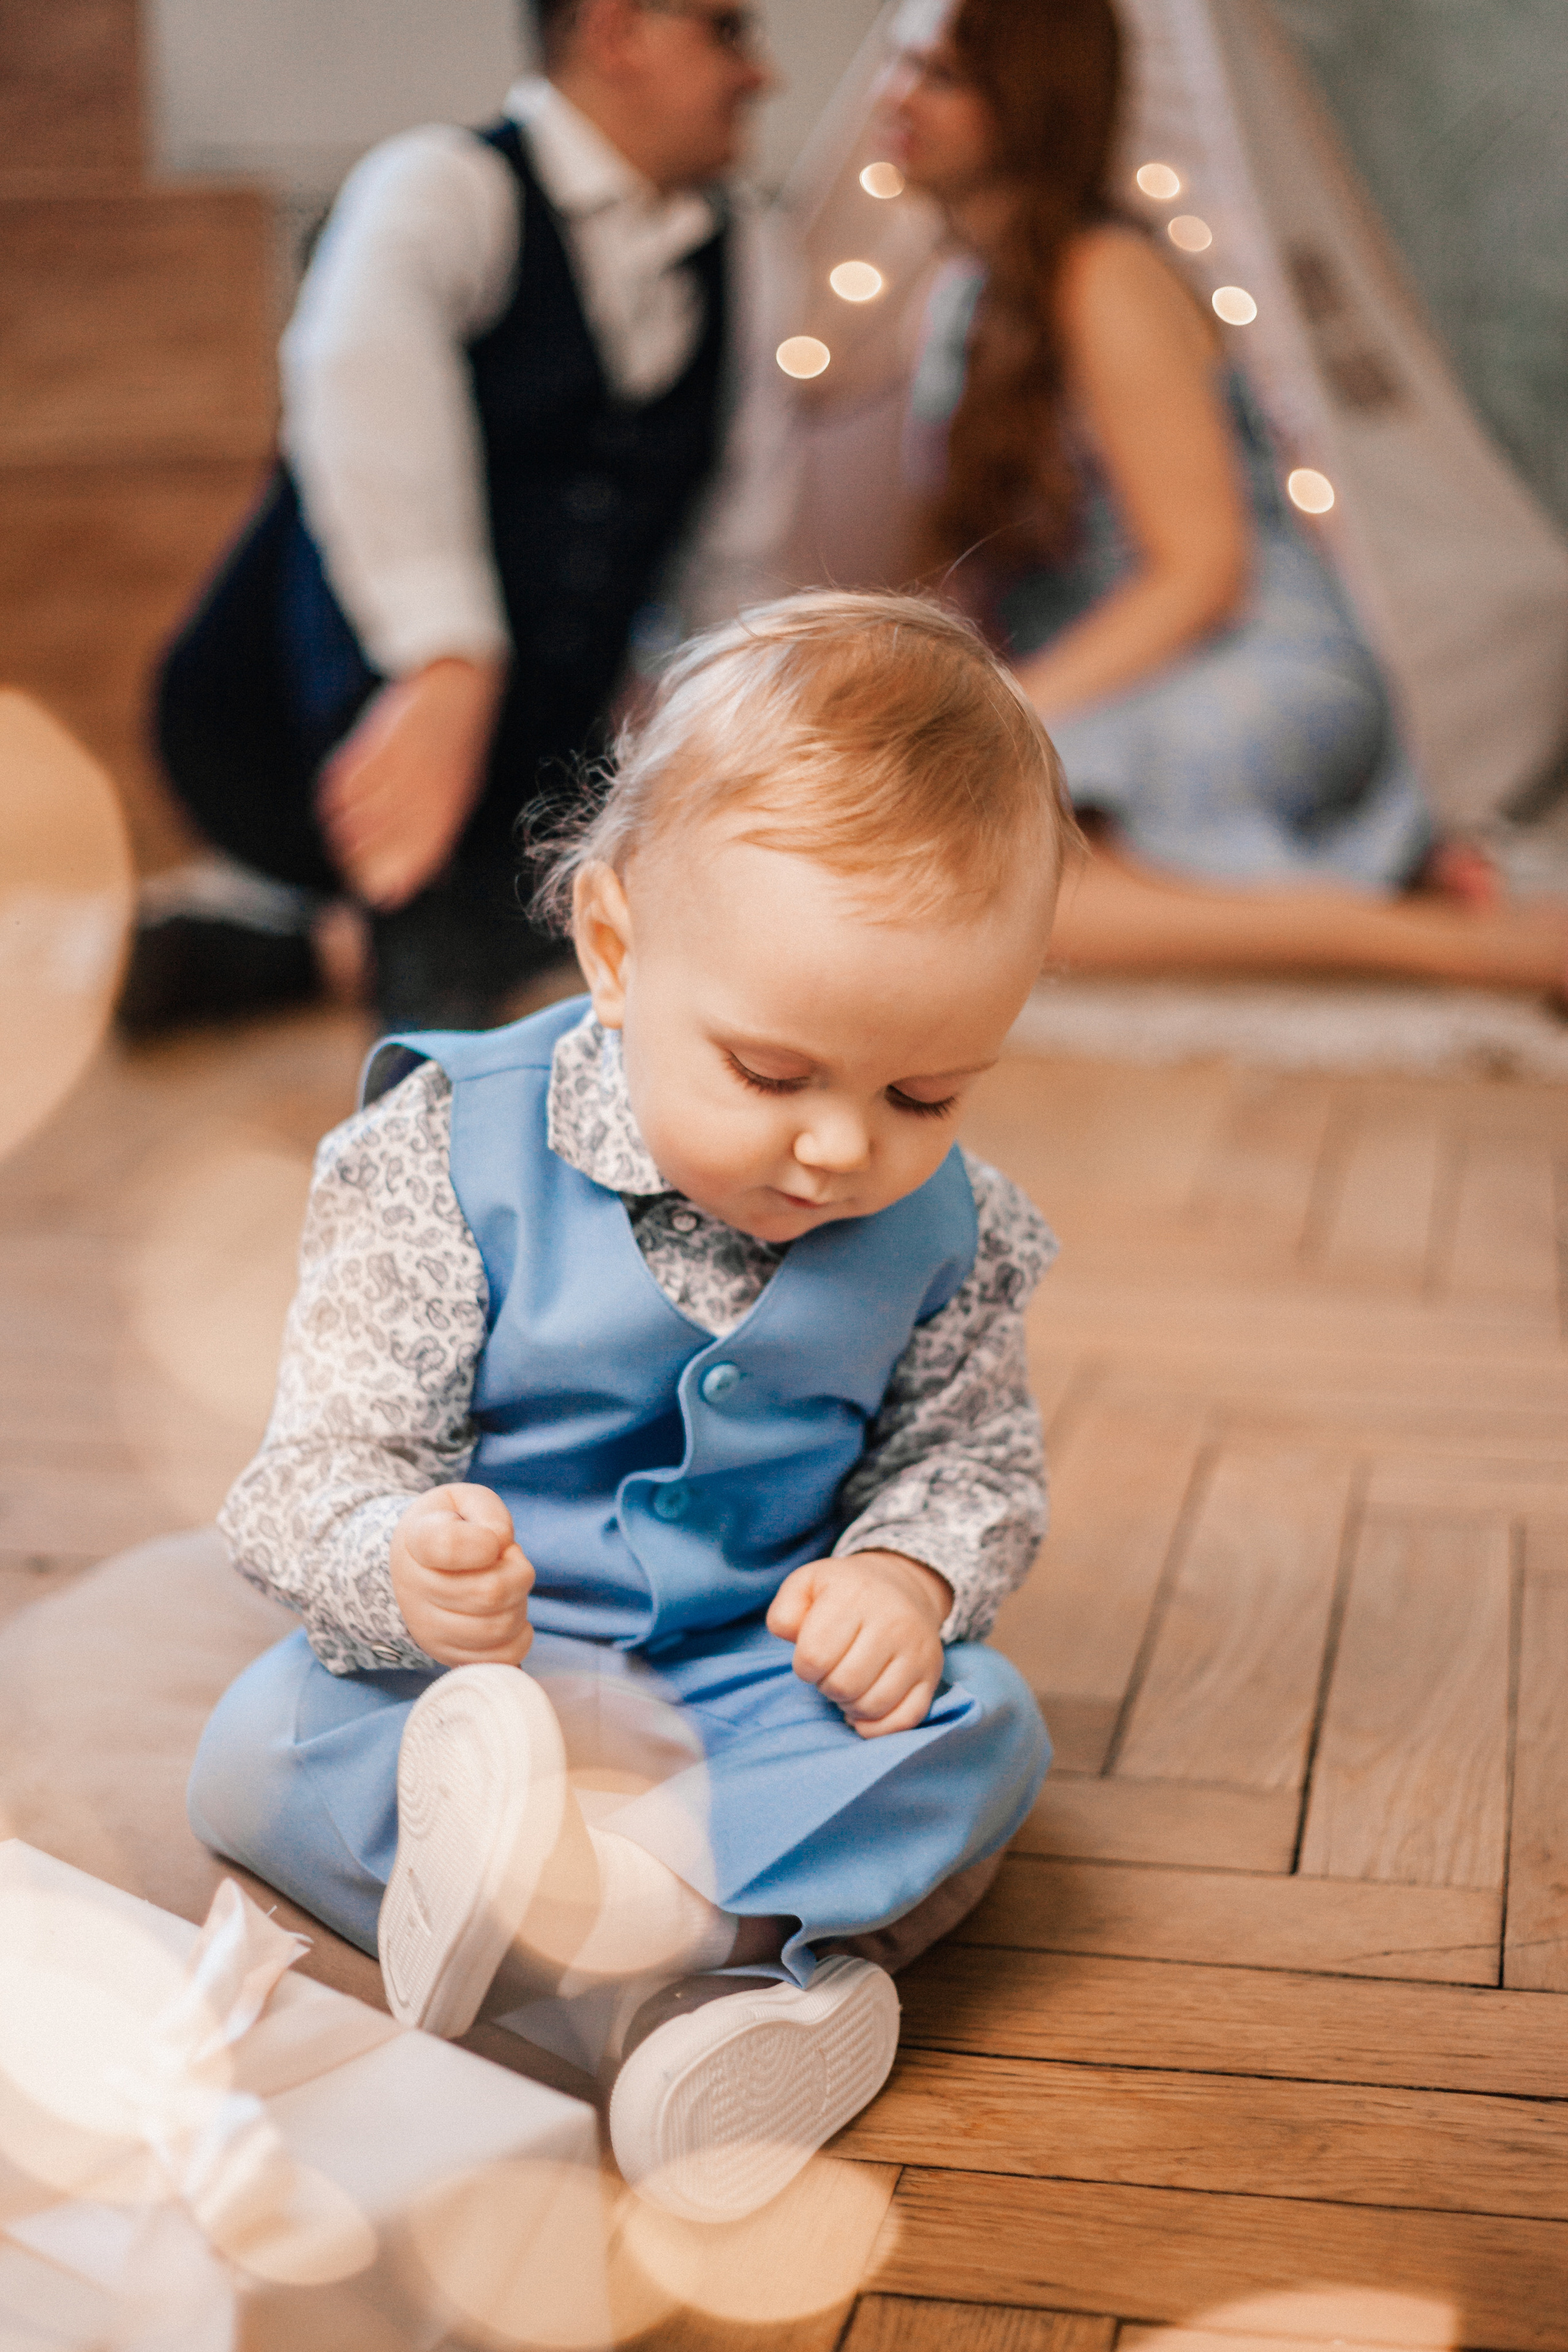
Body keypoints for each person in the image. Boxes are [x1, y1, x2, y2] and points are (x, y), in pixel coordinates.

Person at [187, 590, 1064, 2222]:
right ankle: (722, 1966)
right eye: (772, 1074)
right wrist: (400, 1566)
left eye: (924, 1092)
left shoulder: (959, 1234)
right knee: (255, 1754)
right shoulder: (443, 1152)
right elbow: (314, 1468)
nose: (840, 1149)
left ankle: (633, 1934)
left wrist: (902, 1577)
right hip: (476, 1684)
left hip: (742, 1683)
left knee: (984, 1729)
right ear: (613, 946)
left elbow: (971, 1455)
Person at [122, 0, 795, 1035]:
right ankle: (401, 944)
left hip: (536, 760)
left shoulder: (747, 253)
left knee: (632, 893)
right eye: (727, 31)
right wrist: (447, 660)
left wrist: (718, 744)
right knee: (480, 968)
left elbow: (732, 551)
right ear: (618, 32)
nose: (762, 76)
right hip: (286, 733)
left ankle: (302, 953)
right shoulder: (442, 185)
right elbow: (359, 403)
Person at [886, 0, 1568, 992]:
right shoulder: (956, 301)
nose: (897, 98)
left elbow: (1202, 574)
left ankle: (1453, 946)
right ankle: (1389, 899)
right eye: (902, 65)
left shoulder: (1107, 275)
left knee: (970, 872)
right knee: (927, 839)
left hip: (1256, 657)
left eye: (940, 75)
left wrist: (1005, 709)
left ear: (1030, 99)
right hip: (1123, 676)